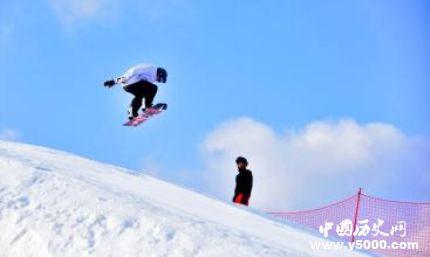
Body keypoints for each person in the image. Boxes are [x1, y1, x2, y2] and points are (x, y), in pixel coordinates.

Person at [104, 64, 168, 120]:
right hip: (131, 81)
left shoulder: (152, 78)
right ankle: (147, 106)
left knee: (141, 95)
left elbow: (146, 92)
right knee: (153, 88)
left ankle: (132, 112)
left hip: (128, 86)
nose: (159, 81)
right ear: (160, 73)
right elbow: (135, 70)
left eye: (161, 81)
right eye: (161, 79)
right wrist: (116, 81)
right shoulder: (151, 69)